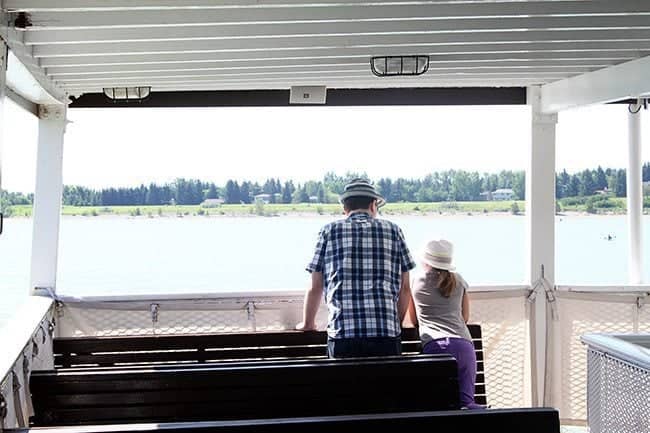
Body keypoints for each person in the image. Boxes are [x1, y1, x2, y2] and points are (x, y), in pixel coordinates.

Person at [296, 178, 416, 358]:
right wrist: (394, 322)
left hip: (343, 334)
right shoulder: (394, 230)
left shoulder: (329, 231)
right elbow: (405, 288)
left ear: (345, 208)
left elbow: (316, 286)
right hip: (386, 334)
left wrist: (308, 324)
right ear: (374, 205)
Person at [405, 239, 482, 409]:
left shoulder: (416, 281)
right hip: (464, 346)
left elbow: (413, 320)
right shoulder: (459, 280)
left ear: (425, 260)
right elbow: (465, 316)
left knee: (436, 406)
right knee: (466, 404)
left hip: (434, 346)